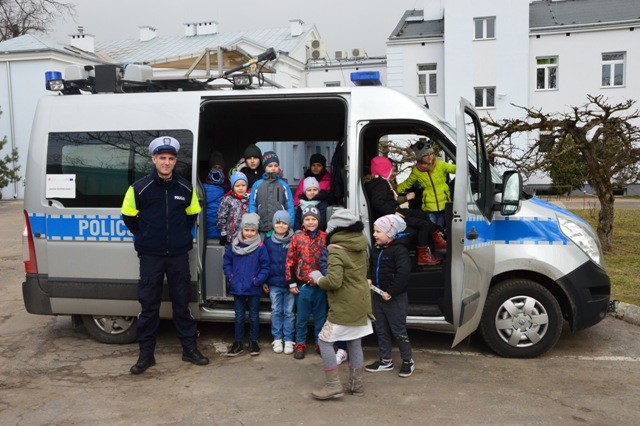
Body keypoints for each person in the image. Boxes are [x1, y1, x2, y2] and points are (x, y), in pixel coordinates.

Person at [121, 135, 208, 374]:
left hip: (178, 255)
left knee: (182, 304)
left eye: (170, 158)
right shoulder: (139, 188)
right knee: (149, 306)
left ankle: (189, 349)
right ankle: (146, 355)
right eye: (162, 158)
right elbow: (128, 217)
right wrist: (145, 235)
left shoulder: (185, 188)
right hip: (151, 256)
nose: (166, 162)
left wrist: (180, 235)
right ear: (153, 159)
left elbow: (192, 216)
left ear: (175, 160)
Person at [308, 208, 373, 399]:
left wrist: (318, 278)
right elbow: (364, 272)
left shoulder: (335, 251)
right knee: (354, 342)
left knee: (324, 340)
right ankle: (356, 386)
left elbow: (334, 282)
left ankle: (333, 385)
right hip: (361, 302)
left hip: (344, 305)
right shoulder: (362, 245)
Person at [365, 155, 440, 265]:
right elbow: (378, 202)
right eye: (391, 169)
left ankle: (437, 240)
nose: (392, 172)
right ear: (385, 169)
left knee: (422, 215)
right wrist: (394, 213)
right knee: (423, 224)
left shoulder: (377, 182)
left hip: (390, 213)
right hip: (389, 217)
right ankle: (423, 256)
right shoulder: (380, 183)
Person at [365, 214, 415, 378]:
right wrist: (369, 277)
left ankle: (408, 360)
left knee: (398, 330)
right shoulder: (377, 248)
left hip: (395, 298)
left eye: (378, 231)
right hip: (379, 296)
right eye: (374, 231)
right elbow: (372, 265)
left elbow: (404, 274)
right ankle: (386, 360)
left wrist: (391, 292)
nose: (374, 234)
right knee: (381, 329)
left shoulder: (399, 250)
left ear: (389, 233)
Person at [222, 212, 270, 357]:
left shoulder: (260, 247)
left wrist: (257, 281)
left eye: (252, 230)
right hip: (238, 287)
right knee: (239, 316)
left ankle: (253, 341)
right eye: (246, 230)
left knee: (254, 315)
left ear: (256, 231)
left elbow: (265, 267)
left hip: (253, 287)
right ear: (242, 230)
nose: (249, 233)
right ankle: (238, 342)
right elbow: (227, 263)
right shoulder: (234, 246)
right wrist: (231, 277)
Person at [285, 206, 327, 360]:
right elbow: (290, 260)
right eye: (307, 219)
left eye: (313, 219)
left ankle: (319, 343)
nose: (310, 222)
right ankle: (300, 343)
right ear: (303, 221)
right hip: (303, 286)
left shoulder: (325, 237)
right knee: (301, 318)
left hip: (321, 285)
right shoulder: (297, 238)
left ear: (318, 221)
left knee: (320, 318)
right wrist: (291, 282)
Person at [397, 138, 456, 229]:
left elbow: (454, 168)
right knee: (431, 229)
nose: (430, 157)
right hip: (429, 207)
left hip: (444, 205)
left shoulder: (440, 164)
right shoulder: (417, 171)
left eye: (431, 153)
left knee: (440, 229)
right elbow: (406, 184)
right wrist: (392, 190)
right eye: (425, 155)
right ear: (420, 157)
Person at [262, 210, 296, 355]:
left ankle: (288, 339)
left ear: (288, 225)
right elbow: (264, 262)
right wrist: (265, 281)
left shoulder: (294, 239)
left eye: (284, 223)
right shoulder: (267, 240)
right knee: (276, 311)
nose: (280, 226)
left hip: (290, 284)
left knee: (289, 312)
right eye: (278, 222)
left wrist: (295, 281)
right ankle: (277, 338)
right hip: (274, 283)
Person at [249, 151, 295, 234]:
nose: (273, 168)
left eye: (276, 165)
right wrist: (253, 225)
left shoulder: (283, 185)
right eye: (270, 166)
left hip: (280, 228)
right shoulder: (257, 185)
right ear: (264, 167)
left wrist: (290, 225)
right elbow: (253, 205)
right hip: (261, 227)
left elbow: (290, 206)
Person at [217, 171, 249, 245]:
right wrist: (223, 233)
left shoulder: (249, 200)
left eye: (243, 185)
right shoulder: (227, 199)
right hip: (231, 237)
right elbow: (221, 217)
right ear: (232, 187)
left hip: (246, 237)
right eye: (237, 186)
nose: (241, 188)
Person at [203, 151, 228, 239]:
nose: (217, 170)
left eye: (219, 168)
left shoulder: (228, 187)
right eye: (214, 167)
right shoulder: (202, 189)